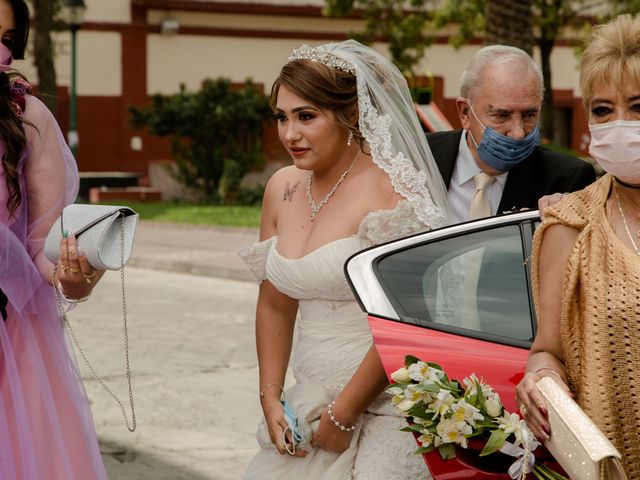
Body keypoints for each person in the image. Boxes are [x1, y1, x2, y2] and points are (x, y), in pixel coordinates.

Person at [238, 40, 449, 479]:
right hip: (309, 404)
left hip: (385, 406)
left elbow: (405, 318)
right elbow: (275, 301)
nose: (289, 134)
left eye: (306, 116)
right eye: (282, 117)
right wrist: (271, 397)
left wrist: (345, 413)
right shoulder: (281, 187)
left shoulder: (393, 193)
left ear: (352, 115)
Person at [515, 14, 640, 477]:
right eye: (603, 110)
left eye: (638, 106)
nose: (619, 125)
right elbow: (547, 349)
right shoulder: (570, 225)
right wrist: (540, 378)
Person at [0, 0, 108, 478]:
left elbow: (43, 242)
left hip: (6, 334)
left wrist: (73, 276)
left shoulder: (26, 115)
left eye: (6, 38)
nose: (0, 50)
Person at [427, 44, 596, 224]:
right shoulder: (418, 157)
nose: (518, 133)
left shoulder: (567, 179)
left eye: (529, 115)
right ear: (465, 112)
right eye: (501, 115)